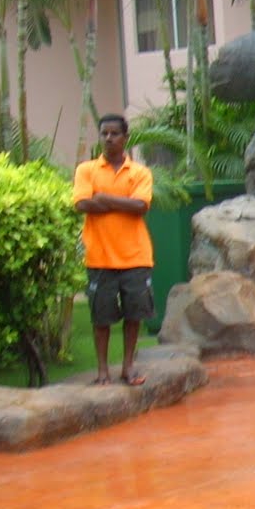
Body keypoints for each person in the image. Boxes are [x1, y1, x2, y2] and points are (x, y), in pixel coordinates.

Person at [73, 113, 155, 386]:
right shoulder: (86, 170)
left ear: (125, 137)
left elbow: (141, 207)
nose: (109, 138)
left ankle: (128, 367)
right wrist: (123, 203)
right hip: (100, 257)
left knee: (134, 315)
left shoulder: (141, 173)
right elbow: (82, 203)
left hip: (135, 256)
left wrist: (104, 199)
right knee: (101, 317)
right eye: (104, 134)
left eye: (114, 134)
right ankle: (102, 371)